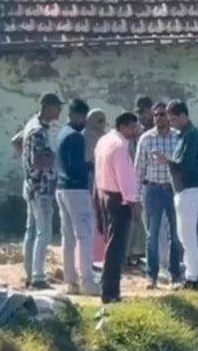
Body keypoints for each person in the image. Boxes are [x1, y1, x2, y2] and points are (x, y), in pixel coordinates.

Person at [154, 100, 198, 290]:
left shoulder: (191, 136)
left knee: (187, 235)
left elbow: (186, 164)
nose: (171, 123)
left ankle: (195, 277)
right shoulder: (185, 136)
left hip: (189, 189)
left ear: (184, 115)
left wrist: (166, 161)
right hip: (184, 190)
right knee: (183, 235)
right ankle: (196, 273)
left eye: (173, 119)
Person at [55, 98, 101, 296]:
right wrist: (94, 166)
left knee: (68, 237)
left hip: (62, 188)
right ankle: (88, 281)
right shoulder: (76, 137)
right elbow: (79, 166)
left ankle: (71, 281)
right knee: (84, 236)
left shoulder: (62, 134)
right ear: (77, 115)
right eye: (83, 117)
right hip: (78, 189)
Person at [134, 102, 182, 289]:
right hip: (152, 190)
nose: (159, 118)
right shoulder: (146, 139)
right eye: (156, 115)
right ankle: (151, 276)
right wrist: (136, 196)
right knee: (152, 234)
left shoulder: (178, 138)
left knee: (176, 234)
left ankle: (175, 273)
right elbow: (139, 170)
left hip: (172, 189)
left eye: (163, 114)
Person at [94, 112, 140, 303]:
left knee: (111, 245)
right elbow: (125, 177)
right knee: (116, 247)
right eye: (131, 127)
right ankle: (110, 292)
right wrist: (134, 203)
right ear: (122, 126)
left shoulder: (104, 140)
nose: (134, 131)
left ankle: (107, 287)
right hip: (118, 198)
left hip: (104, 192)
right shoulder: (121, 146)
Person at [20, 93, 64, 290]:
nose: (59, 111)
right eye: (56, 107)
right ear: (47, 107)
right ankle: (37, 276)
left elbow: (16, 142)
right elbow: (38, 161)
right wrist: (56, 159)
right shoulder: (38, 130)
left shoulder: (31, 125)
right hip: (41, 186)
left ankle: (30, 273)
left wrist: (26, 167)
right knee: (43, 232)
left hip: (31, 184)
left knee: (32, 231)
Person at [125, 96, 153, 265]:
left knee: (148, 221)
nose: (143, 117)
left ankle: (141, 252)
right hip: (137, 179)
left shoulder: (158, 128)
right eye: (140, 113)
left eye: (144, 112)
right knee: (135, 219)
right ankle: (128, 255)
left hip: (153, 179)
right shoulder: (137, 133)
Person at [83, 109, 108, 265]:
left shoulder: (97, 136)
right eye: (101, 120)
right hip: (93, 178)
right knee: (95, 216)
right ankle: (94, 256)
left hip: (96, 177)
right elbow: (91, 158)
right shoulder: (91, 136)